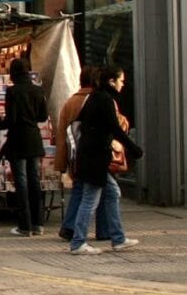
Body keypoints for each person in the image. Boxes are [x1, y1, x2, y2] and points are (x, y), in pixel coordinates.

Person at [69, 65, 143, 255]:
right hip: (95, 157)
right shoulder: (104, 99)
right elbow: (115, 128)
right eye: (121, 80)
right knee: (89, 200)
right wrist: (133, 148)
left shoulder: (94, 97)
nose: (123, 84)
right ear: (112, 81)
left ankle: (118, 238)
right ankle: (78, 242)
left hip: (90, 156)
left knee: (112, 193)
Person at [0, 57, 48, 237]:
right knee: (34, 181)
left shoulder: (13, 92)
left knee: (22, 182)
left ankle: (24, 225)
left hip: (18, 140)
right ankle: (38, 223)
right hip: (34, 138)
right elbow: (42, 117)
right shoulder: (38, 90)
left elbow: (12, 120)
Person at [55, 67, 108, 242]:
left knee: (79, 189)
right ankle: (102, 230)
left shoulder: (70, 102)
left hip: (75, 155)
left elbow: (62, 133)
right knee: (101, 190)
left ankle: (69, 226)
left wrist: (61, 162)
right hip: (96, 153)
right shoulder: (99, 99)